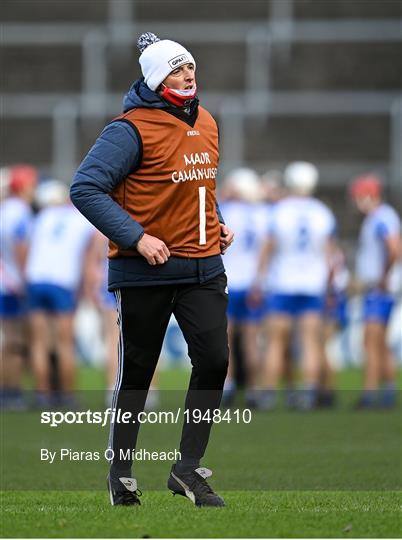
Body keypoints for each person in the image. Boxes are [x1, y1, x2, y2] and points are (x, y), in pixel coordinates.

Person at [71, 32, 234, 507]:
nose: (189, 75)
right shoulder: (128, 129)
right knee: (138, 373)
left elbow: (199, 186)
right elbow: (85, 188)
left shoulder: (206, 120)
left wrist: (218, 224)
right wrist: (136, 237)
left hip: (204, 267)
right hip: (145, 271)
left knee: (215, 361)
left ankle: (187, 470)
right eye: (178, 69)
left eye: (191, 67)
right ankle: (120, 474)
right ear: (158, 77)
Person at [253, 161, 337, 410]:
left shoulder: (279, 211)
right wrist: (331, 286)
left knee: (275, 341)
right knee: (310, 341)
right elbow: (331, 255)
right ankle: (309, 394)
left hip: (283, 283)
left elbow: (267, 249)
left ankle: (268, 395)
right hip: (313, 284)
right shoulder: (322, 211)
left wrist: (258, 281)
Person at [25, 180, 96, 406]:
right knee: (65, 344)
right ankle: (67, 395)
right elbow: (90, 254)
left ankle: (43, 395)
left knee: (39, 343)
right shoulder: (82, 219)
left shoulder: (43, 216)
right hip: (62, 282)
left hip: (35, 278)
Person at [219, 167, 269, 407]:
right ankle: (254, 388)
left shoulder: (224, 211)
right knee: (252, 340)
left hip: (226, 281)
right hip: (253, 284)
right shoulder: (262, 214)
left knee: (224, 340)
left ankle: (227, 387)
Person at [350, 174, 401, 408]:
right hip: (380, 288)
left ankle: (369, 394)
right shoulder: (379, 217)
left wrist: (382, 278)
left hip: (380, 290)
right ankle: (389, 392)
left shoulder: (382, 217)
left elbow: (394, 249)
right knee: (379, 342)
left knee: (370, 341)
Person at [0, 165, 37, 409]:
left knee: (9, 340)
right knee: (14, 342)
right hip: (13, 284)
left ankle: (9, 391)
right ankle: (10, 392)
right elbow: (21, 247)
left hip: (4, 280)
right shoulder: (21, 211)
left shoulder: (4, 209)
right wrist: (26, 279)